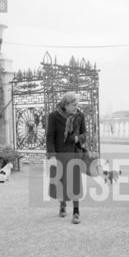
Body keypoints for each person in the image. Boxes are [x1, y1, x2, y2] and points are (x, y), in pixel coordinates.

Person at [46, 92, 86, 224]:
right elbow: (50, 137)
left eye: (77, 104)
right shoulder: (54, 116)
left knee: (75, 183)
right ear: (66, 104)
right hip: (59, 154)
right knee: (60, 182)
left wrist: (76, 138)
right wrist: (51, 155)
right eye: (74, 105)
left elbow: (84, 134)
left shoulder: (80, 116)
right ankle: (62, 205)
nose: (76, 107)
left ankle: (76, 212)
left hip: (74, 153)